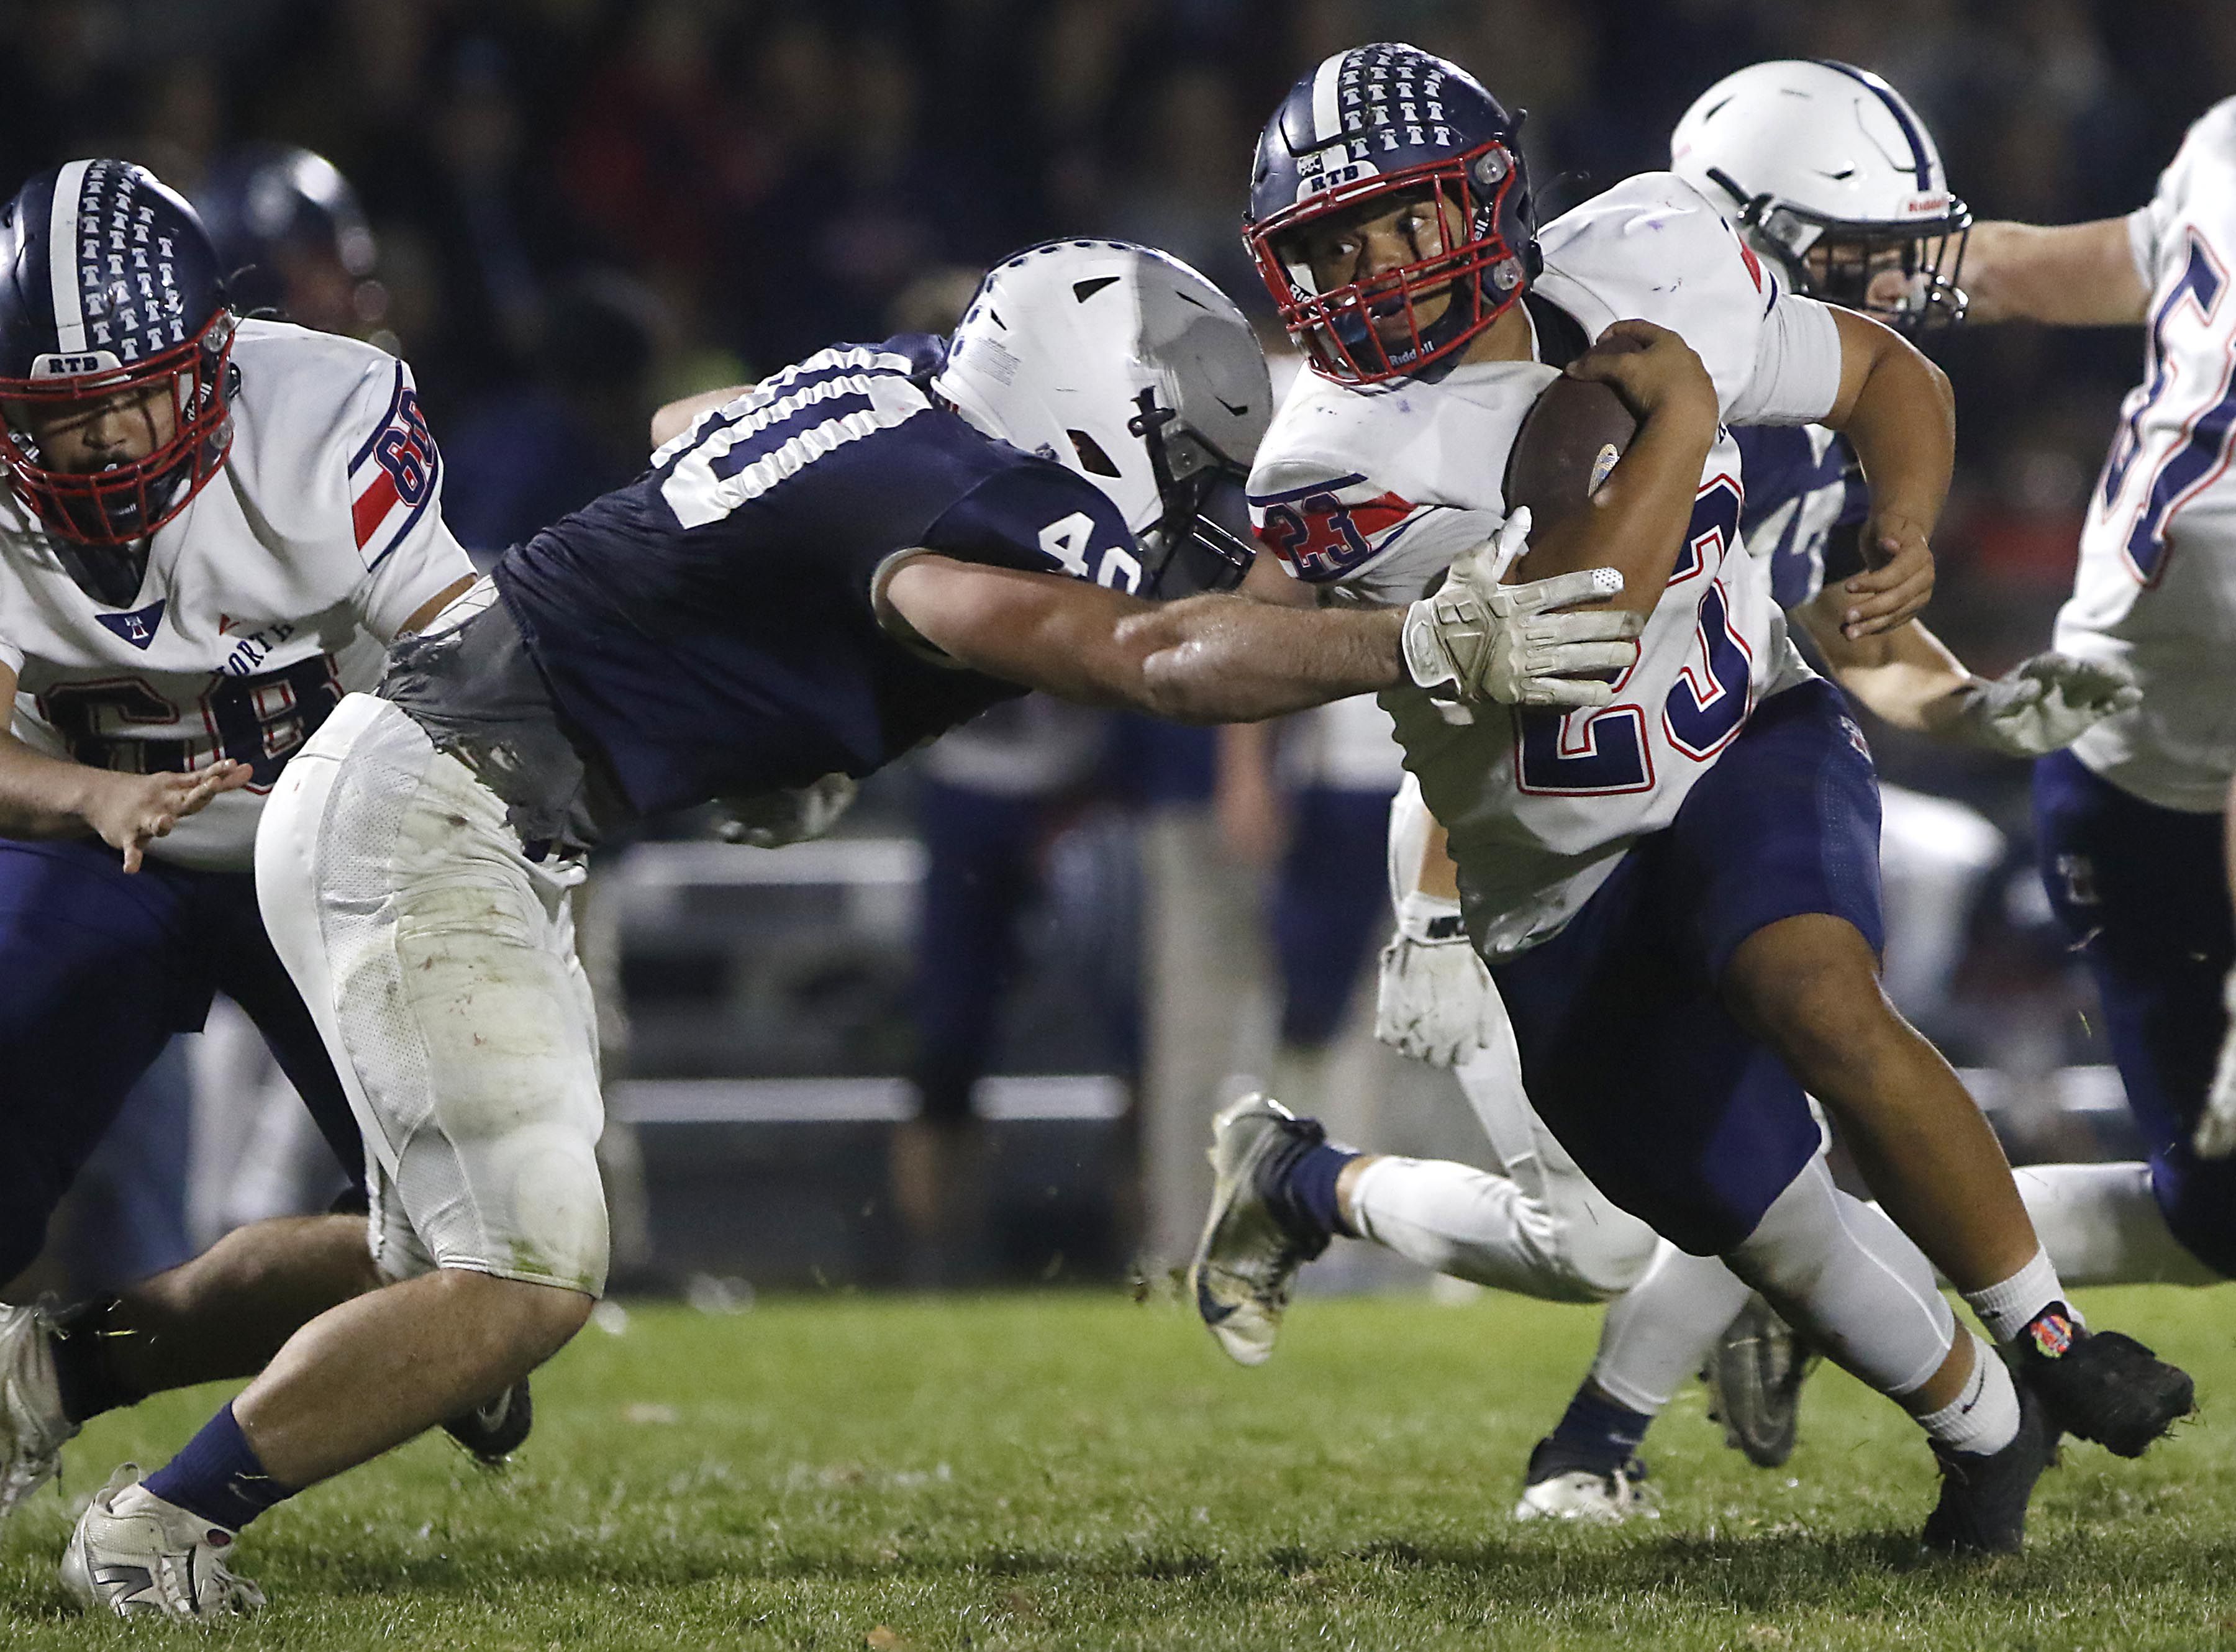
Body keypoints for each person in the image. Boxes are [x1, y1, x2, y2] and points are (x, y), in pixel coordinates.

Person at [57, 237, 1641, 1618]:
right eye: (1185, 468)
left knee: (421, 1260)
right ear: (1110, 409)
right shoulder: (966, 487)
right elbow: (1144, 654)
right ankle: (158, 1524)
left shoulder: (894, 382)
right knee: (528, 1280)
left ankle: (48, 1368)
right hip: (441, 798)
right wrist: (1419, 641)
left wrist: (764, 688)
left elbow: (695, 430)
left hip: (435, 773)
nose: (1192, 511)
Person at [1190, 43, 2191, 1557]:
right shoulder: (1334, 454)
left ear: (1485, 200)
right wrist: (1675, 413)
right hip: (1545, 871)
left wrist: (1908, 541)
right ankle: (1983, 1434)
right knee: (1734, 1225)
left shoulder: (1657, 264)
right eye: (1332, 242)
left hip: (1746, 745)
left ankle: (2043, 1337)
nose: (1371, 271)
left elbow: (1883, 377)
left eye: (1400, 221)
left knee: (1814, 989)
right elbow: (1576, 627)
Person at [0, 158, 543, 1529]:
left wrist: (506, 845)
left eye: (138, 393)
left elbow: (463, 654)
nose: (112, 437)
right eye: (66, 417)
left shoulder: (324, 407)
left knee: (486, 1254)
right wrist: (92, 800)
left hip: (337, 839)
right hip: (95, 844)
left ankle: (67, 1365)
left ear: (213, 364)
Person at [1955, 100, 2236, 1278]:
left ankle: (1831, 1255)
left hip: (2152, 733)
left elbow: (2076, 265)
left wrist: (1901, 254)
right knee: (2215, 1216)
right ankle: (1823, 1257)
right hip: (2156, 790)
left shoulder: (2223, 138)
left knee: (2218, 1220)